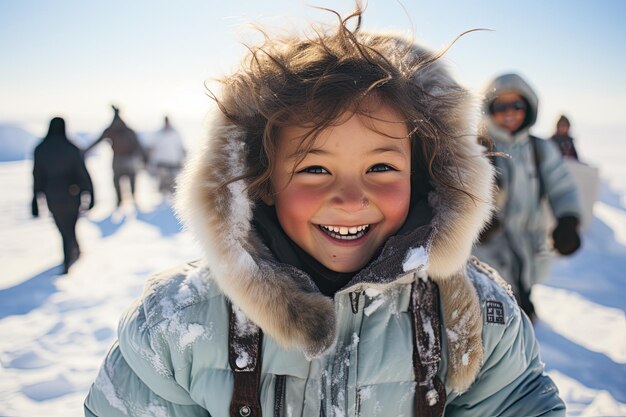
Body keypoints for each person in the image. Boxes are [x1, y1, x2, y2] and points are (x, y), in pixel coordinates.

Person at [84, 9, 565, 417]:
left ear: (425, 176)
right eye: (315, 168)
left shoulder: (476, 318)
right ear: (263, 182)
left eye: (381, 166)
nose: (351, 198)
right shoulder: (178, 326)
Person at [474, 73, 582, 322]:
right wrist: (476, 220)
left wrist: (568, 219)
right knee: (493, 306)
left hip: (528, 242)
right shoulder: (476, 147)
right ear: (488, 109)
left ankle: (525, 315)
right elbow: (455, 190)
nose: (509, 112)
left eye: (517, 105)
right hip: (489, 248)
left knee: (523, 287)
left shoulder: (540, 149)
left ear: (529, 107)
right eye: (501, 106)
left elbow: (562, 187)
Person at [32, 117, 94, 273]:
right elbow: (82, 173)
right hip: (72, 195)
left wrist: (35, 199)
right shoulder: (72, 148)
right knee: (70, 227)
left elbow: (37, 176)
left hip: (53, 196)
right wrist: (90, 192)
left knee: (63, 228)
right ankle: (72, 254)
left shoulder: (41, 149)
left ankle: (70, 255)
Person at [86, 105, 146, 206]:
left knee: (121, 180)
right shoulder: (126, 130)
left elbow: (98, 141)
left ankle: (123, 200)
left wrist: (85, 151)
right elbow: (138, 145)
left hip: (122, 160)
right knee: (126, 179)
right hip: (125, 160)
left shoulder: (114, 129)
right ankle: (125, 199)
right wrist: (144, 157)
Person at [148, 115, 186, 197]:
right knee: (163, 183)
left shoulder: (175, 133)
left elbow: (180, 147)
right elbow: (153, 149)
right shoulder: (158, 134)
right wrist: (153, 162)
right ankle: (163, 199)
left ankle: (171, 200)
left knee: (173, 183)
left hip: (173, 163)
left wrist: (182, 159)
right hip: (162, 163)